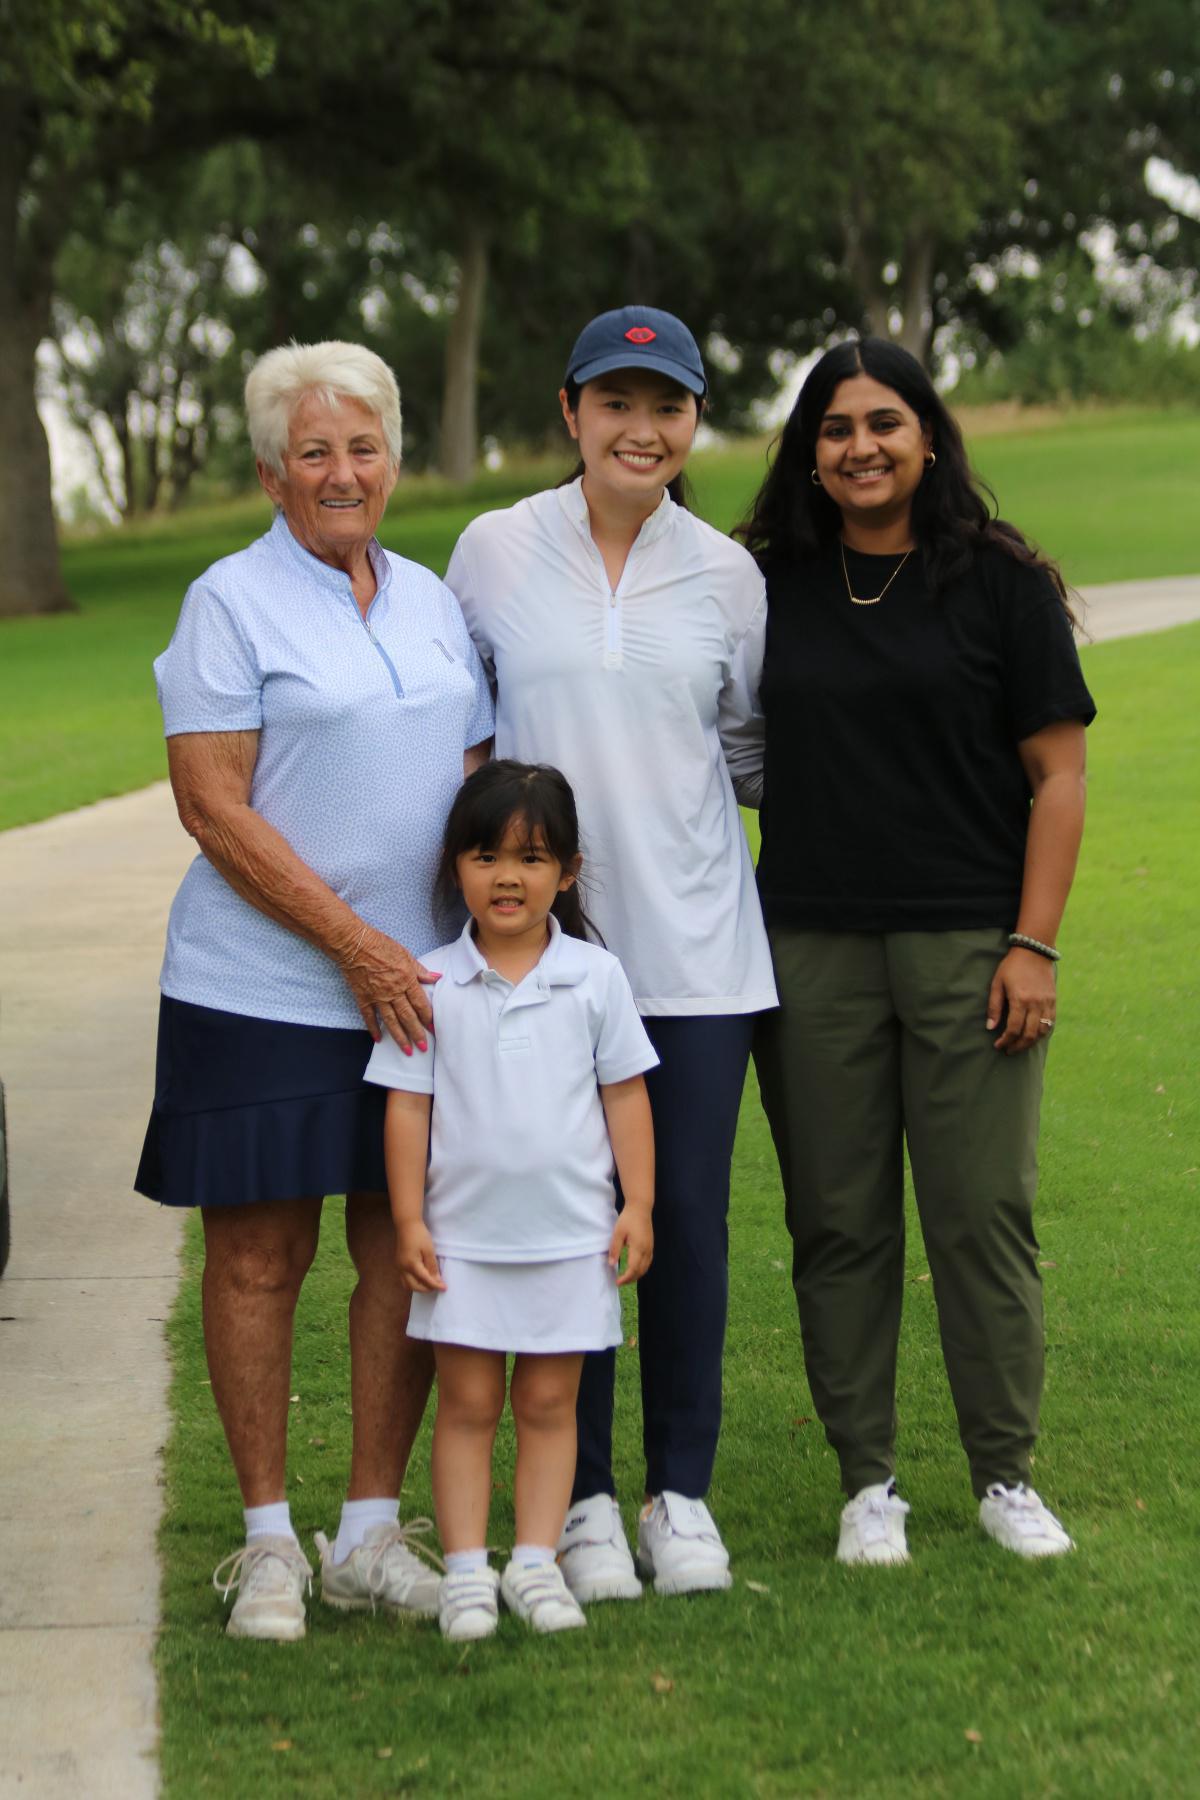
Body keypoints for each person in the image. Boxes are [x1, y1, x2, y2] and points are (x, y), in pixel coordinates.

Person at [135, 340, 494, 1640]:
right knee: (258, 1258)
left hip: (418, 989)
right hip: (260, 990)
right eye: (315, 451)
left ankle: (367, 1533)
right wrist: (353, 944)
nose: (343, 472)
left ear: (392, 459)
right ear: (272, 470)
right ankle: (270, 1545)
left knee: (402, 1253)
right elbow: (210, 805)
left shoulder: (431, 599)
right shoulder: (229, 602)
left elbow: (476, 783)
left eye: (363, 447)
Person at [737, 337, 1096, 1565]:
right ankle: (868, 1486)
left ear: (927, 437)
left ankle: (1005, 1476)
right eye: (835, 429)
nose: (861, 447)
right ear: (809, 453)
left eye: (884, 422)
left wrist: (1033, 944)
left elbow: (1059, 776)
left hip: (969, 944)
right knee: (837, 1221)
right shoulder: (765, 583)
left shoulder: (1000, 584)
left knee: (980, 1213)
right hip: (810, 948)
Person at [444, 307, 776, 1601]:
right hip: (541, 968)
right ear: (571, 412)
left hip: (698, 962)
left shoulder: (727, 577)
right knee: (565, 1223)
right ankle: (577, 1500)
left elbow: (747, 757)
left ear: (692, 424)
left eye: (669, 406)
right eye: (617, 402)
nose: (643, 429)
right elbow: (465, 744)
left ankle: (677, 1496)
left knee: (682, 1223)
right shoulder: (492, 551)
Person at [365, 761, 657, 1639]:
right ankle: (464, 1574)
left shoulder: (595, 979)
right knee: (468, 1407)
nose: (507, 877)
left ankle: (533, 1563)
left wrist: (637, 1204)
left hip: (570, 1242)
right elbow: (406, 1106)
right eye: (486, 856)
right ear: (456, 867)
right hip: (462, 1245)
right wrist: (411, 1220)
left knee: (548, 1407)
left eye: (531, 859)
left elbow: (626, 1098)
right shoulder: (430, 984)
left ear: (566, 873)